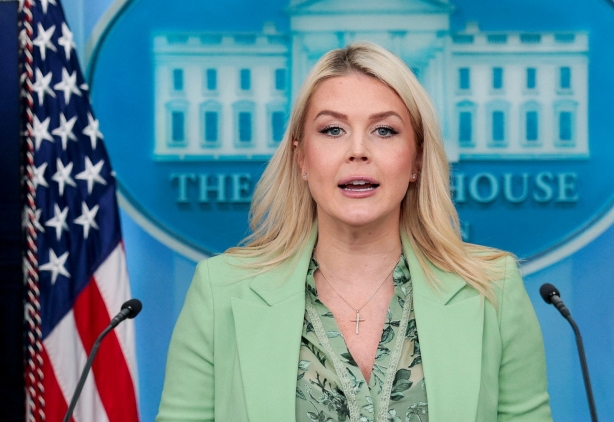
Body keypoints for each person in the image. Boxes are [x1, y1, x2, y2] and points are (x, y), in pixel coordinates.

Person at [157, 42, 552, 422]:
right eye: (333, 130)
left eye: (384, 131)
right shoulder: (221, 290)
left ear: (416, 159)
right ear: (301, 157)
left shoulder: (492, 288)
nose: (358, 150)